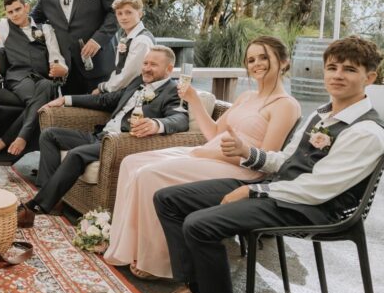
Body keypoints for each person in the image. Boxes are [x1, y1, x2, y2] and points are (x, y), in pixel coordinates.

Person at [150, 36, 384, 293]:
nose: (337, 75)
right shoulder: (323, 114)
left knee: (199, 224)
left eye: (350, 69)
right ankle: (198, 291)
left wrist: (254, 191)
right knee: (168, 198)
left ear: (369, 77)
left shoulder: (367, 132)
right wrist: (249, 153)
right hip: (279, 190)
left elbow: (318, 189)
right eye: (332, 67)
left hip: (313, 208)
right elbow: (286, 159)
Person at [104, 36, 300, 279]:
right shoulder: (246, 97)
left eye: (264, 57)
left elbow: (266, 161)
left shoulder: (286, 105)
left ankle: (158, 261)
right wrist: (194, 100)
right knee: (131, 162)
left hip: (240, 169)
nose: (256, 63)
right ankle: (129, 246)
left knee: (149, 175)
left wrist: (210, 152)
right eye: (251, 59)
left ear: (283, 61)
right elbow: (214, 133)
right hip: (209, 155)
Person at [22, 46, 189, 228]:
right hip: (100, 136)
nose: (147, 68)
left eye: (154, 65)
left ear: (169, 69)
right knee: (49, 135)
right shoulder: (138, 82)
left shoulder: (173, 90)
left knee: (76, 154)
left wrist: (156, 125)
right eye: (145, 63)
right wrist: (66, 99)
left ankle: (34, 207)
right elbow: (106, 100)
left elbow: (180, 118)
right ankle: (51, 199)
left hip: (121, 143)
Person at [0, 0, 67, 158]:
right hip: (18, 78)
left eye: (18, 9)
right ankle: (19, 138)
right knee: (38, 100)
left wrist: (61, 68)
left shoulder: (46, 29)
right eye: (10, 12)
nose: (14, 14)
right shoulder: (4, 27)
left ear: (26, 7)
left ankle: (7, 140)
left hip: (42, 78)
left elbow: (56, 55)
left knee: (48, 85)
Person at [31, 0, 119, 94]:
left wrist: (98, 40)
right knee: (71, 115)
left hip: (99, 65)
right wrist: (3, 28)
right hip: (68, 71)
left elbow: (117, 13)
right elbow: (32, 20)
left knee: (100, 115)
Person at [94, 0, 154, 94]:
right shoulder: (126, 36)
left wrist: (103, 87)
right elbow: (119, 69)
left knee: (80, 100)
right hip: (123, 89)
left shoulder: (141, 40)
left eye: (128, 12)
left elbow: (128, 76)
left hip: (135, 93)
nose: (124, 17)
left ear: (140, 14)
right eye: (119, 13)